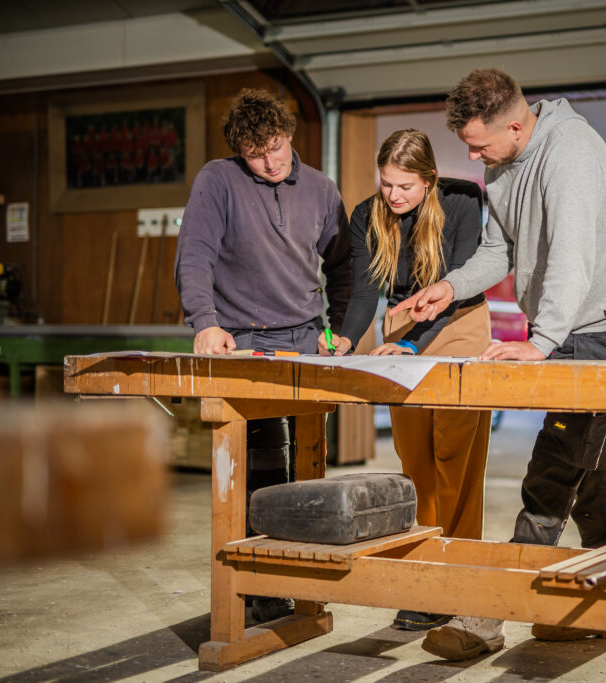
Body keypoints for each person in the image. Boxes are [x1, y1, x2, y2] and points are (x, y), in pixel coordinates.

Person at [393, 68, 606, 660]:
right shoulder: (502, 160)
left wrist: (542, 339)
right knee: (588, 468)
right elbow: (498, 248)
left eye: (478, 145)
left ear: (515, 126)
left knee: (552, 470)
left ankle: (488, 616)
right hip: (560, 327)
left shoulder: (571, 153)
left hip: (596, 332)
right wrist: (451, 287)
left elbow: (573, 256)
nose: (472, 157)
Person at [174, 87, 352, 623]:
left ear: (289, 135)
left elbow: (343, 266)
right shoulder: (218, 181)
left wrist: (341, 329)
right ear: (239, 152)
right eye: (255, 155)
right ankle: (263, 586)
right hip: (244, 340)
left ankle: (306, 576)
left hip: (306, 338)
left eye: (275, 147)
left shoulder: (321, 189)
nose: (270, 163)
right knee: (264, 463)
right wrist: (205, 322)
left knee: (311, 464)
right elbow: (195, 255)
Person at [319, 129, 493, 632]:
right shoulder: (366, 215)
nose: (393, 195)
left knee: (454, 456)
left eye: (406, 186)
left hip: (459, 322)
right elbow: (364, 293)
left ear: (429, 179)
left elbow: (458, 285)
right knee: (414, 458)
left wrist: (416, 345)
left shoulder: (463, 200)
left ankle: (458, 575)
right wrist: (346, 341)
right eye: (387, 183)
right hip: (401, 329)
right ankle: (426, 570)